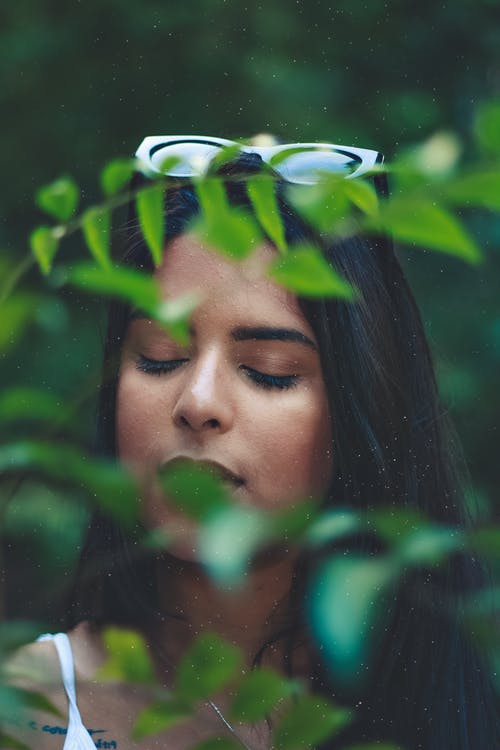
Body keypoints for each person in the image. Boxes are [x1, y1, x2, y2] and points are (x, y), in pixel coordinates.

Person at [5, 137, 498, 750]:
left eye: (267, 370)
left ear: (359, 408)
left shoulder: (448, 704)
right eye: (160, 357)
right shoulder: (26, 708)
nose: (199, 403)